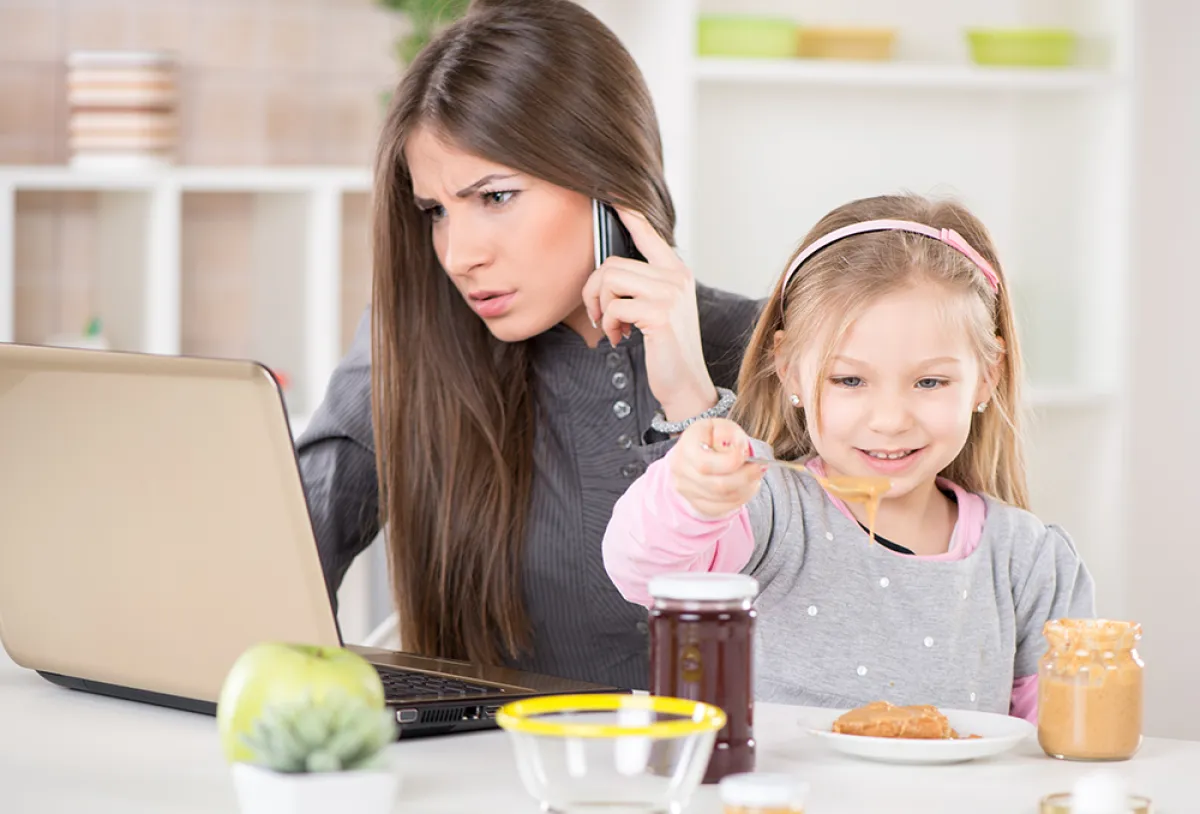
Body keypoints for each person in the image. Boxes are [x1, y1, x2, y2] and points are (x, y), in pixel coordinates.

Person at [295, 0, 761, 690]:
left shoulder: (773, 347)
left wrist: (692, 404)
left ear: (608, 181)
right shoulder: (419, 342)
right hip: (495, 756)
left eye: (496, 197)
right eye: (436, 211)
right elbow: (286, 556)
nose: (459, 255)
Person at [603, 193, 1095, 721]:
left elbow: (1057, 741)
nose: (890, 419)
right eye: (850, 380)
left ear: (986, 379)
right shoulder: (763, 510)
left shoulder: (1031, 563)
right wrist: (695, 492)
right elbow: (643, 570)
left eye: (930, 382)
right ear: (790, 370)